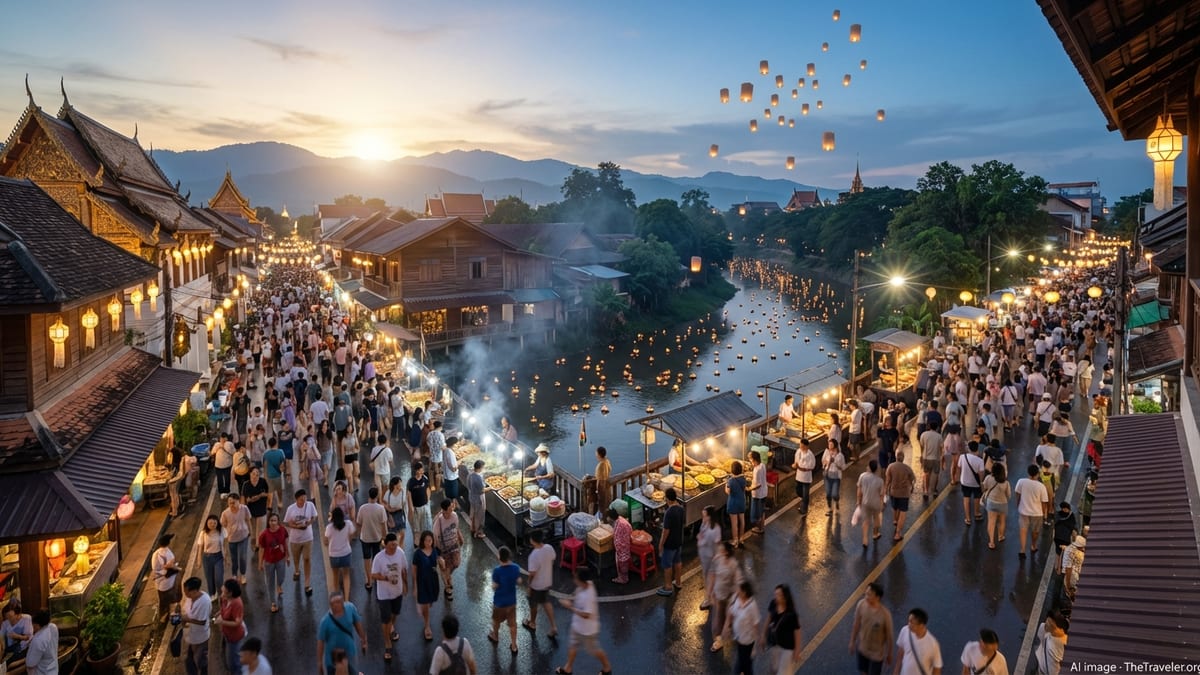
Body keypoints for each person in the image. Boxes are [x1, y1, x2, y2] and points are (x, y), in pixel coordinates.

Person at [371, 532, 409, 664]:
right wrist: (386, 578)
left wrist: (406, 585)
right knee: (385, 619)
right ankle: (387, 643)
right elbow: (373, 575)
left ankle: (391, 627)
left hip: (397, 592)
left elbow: (404, 570)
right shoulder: (378, 558)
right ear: (385, 545)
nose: (394, 547)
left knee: (394, 614)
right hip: (384, 594)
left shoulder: (400, 553)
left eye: (396, 545)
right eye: (392, 545)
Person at [316, 591, 367, 675]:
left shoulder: (350, 608)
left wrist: (363, 639)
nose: (336, 605)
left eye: (338, 602)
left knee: (352, 670)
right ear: (330, 605)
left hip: (349, 652)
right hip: (332, 658)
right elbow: (320, 643)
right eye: (333, 603)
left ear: (343, 602)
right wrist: (320, 663)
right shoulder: (325, 622)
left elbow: (357, 624)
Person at [521, 529, 560, 637]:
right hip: (547, 582)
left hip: (537, 585)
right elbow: (552, 560)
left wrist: (529, 585)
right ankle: (553, 627)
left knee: (533, 604)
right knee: (546, 602)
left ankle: (532, 623)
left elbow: (532, 573)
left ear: (532, 540)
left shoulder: (533, 555)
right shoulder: (549, 548)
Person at [849, 582, 892, 675]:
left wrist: (889, 654)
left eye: (869, 594)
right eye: (866, 593)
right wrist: (852, 641)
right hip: (862, 649)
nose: (866, 596)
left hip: (876, 654)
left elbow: (889, 637)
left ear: (877, 597)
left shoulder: (885, 615)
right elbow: (856, 624)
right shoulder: (861, 605)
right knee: (863, 672)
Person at [708, 541, 742, 653]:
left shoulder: (733, 564)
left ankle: (720, 640)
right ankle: (720, 637)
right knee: (718, 618)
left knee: (722, 619)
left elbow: (738, 581)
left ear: (726, 552)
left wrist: (736, 597)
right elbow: (713, 574)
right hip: (719, 594)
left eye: (722, 549)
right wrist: (711, 590)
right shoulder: (718, 559)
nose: (719, 550)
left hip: (727, 596)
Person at [284, 489, 318, 596]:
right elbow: (286, 523)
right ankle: (297, 569)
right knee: (296, 558)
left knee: (307, 559)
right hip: (295, 539)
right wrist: (295, 526)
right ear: (296, 500)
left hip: (308, 537)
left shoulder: (310, 505)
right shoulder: (291, 509)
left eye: (304, 498)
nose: (303, 501)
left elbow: (314, 516)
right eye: (301, 500)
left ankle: (307, 583)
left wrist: (309, 523)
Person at [488, 546, 522, 654]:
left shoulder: (497, 571)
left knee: (496, 621)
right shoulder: (516, 568)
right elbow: (519, 581)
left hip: (499, 603)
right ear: (509, 556)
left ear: (499, 557)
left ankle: (495, 636)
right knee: (512, 624)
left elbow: (494, 586)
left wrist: (494, 585)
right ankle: (514, 645)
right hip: (511, 602)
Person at [724, 580, 761, 675]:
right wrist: (727, 627)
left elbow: (756, 624)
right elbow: (730, 610)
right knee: (745, 663)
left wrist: (757, 643)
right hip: (738, 638)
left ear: (744, 593)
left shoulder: (752, 606)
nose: (737, 590)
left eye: (739, 589)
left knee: (743, 665)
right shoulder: (737, 597)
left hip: (747, 641)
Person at [763, 584, 802, 675]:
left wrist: (797, 650)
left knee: (783, 672)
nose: (775, 597)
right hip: (775, 644)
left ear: (785, 598)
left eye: (778, 595)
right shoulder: (773, 604)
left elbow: (797, 632)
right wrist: (763, 635)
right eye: (775, 594)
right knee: (774, 669)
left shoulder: (791, 614)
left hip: (787, 648)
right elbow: (768, 619)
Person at [1015, 464, 1050, 559]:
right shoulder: (1041, 486)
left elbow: (1017, 494)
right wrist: (1043, 514)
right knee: (1035, 531)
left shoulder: (1021, 482)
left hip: (1023, 511)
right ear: (1037, 474)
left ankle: (1022, 549)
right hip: (1037, 513)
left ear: (1028, 473)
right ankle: (1033, 545)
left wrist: (1017, 504)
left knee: (1023, 530)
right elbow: (1044, 502)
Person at [357, 487, 389, 592]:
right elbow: (384, 525)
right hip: (377, 538)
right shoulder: (380, 509)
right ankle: (376, 578)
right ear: (377, 496)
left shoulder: (362, 508)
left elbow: (359, 523)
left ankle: (369, 581)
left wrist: (358, 534)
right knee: (376, 559)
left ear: (368, 495)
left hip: (365, 538)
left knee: (367, 560)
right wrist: (385, 538)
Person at [412, 530, 441, 641]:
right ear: (422, 541)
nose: (428, 543)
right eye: (426, 540)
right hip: (422, 582)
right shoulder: (418, 554)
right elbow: (414, 569)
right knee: (425, 605)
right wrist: (415, 586)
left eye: (430, 540)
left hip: (433, 581)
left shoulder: (434, 551)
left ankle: (425, 612)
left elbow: (438, 561)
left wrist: (441, 562)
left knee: (429, 604)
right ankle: (427, 626)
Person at [432, 498, 464, 600]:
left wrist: (460, 536)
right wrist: (438, 554)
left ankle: (447, 576)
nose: (452, 510)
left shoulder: (454, 515)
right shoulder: (438, 522)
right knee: (445, 569)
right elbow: (435, 538)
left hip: (454, 546)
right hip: (443, 550)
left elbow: (456, 527)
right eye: (450, 509)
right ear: (444, 510)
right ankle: (447, 588)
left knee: (456, 563)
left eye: (452, 507)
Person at [894, 607, 940, 675]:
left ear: (921, 625)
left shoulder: (933, 644)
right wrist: (896, 672)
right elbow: (900, 654)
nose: (909, 624)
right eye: (909, 621)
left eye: (912, 623)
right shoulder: (905, 630)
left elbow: (937, 668)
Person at [257, 513, 288, 613]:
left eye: (275, 520)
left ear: (278, 521)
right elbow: (261, 549)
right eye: (271, 520)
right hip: (269, 561)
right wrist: (260, 563)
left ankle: (279, 585)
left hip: (280, 559)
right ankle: (273, 603)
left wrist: (288, 556)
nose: (273, 523)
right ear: (268, 522)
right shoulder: (264, 535)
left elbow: (286, 543)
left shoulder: (283, 530)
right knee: (270, 582)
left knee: (281, 577)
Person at [215, 579, 247, 675]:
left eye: (224, 591)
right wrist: (219, 613)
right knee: (226, 656)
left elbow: (238, 622)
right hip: (226, 634)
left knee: (233, 663)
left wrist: (222, 621)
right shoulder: (225, 598)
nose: (222, 593)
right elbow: (223, 609)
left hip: (234, 637)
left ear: (230, 593)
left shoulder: (237, 603)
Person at [657, 488, 685, 596]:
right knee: (677, 561)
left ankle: (668, 587)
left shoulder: (669, 512)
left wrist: (661, 544)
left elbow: (665, 531)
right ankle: (678, 582)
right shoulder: (681, 508)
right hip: (678, 540)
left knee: (667, 565)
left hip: (670, 543)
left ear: (668, 499)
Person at [180, 577, 212, 675]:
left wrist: (186, 619)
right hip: (191, 635)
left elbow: (202, 621)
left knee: (201, 660)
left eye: (186, 592)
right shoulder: (190, 599)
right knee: (189, 659)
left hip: (201, 637)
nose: (185, 594)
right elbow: (186, 611)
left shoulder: (205, 601)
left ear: (194, 591)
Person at [325, 506, 357, 599]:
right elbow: (352, 534)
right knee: (346, 576)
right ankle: (346, 599)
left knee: (335, 577)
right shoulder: (348, 524)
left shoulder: (329, 527)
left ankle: (337, 598)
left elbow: (325, 540)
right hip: (346, 553)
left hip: (334, 555)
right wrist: (348, 541)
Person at [222, 493, 252, 586]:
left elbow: (248, 520)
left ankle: (242, 574)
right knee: (234, 558)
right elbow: (223, 525)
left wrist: (251, 531)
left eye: (233, 503)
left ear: (238, 502)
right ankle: (234, 574)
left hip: (243, 536)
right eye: (230, 503)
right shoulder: (225, 513)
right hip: (232, 538)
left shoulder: (244, 509)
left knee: (242, 557)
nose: (232, 505)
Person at [885, 449, 916, 541]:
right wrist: (912, 488)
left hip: (893, 492)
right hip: (904, 493)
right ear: (903, 458)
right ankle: (898, 534)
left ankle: (895, 520)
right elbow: (912, 480)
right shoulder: (907, 468)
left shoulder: (890, 466)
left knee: (895, 507)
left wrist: (885, 491)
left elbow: (887, 481)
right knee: (903, 512)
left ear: (896, 457)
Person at [696, 506, 722, 610]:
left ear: (710, 517)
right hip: (704, 556)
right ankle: (711, 597)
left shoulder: (716, 529)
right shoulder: (704, 523)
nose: (703, 518)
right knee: (707, 578)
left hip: (712, 559)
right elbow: (701, 534)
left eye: (705, 516)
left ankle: (709, 600)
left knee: (709, 580)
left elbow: (718, 544)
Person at [152, 534, 181, 624]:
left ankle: (164, 616)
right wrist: (177, 568)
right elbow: (168, 565)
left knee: (163, 599)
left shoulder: (156, 553)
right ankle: (171, 616)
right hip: (166, 580)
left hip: (160, 580)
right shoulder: (166, 553)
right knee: (171, 598)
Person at [982, 464, 1011, 550]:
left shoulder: (988, 478)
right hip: (1002, 504)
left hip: (991, 503)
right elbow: (1009, 495)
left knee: (991, 522)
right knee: (1001, 521)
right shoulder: (1006, 483)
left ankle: (991, 542)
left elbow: (984, 487)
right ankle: (1000, 536)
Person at [857, 460, 885, 547]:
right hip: (875, 503)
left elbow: (859, 490)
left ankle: (865, 540)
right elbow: (881, 495)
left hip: (865, 502)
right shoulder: (880, 481)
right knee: (876, 518)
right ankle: (875, 534)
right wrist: (881, 504)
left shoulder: (862, 476)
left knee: (865, 521)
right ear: (876, 469)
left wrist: (858, 501)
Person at [242, 467, 270, 553]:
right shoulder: (246, 484)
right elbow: (244, 498)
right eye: (253, 474)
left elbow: (269, 493)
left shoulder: (263, 482)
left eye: (257, 474)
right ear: (250, 474)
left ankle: (260, 546)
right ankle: (254, 544)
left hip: (261, 508)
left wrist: (262, 495)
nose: (255, 476)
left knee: (261, 530)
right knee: (253, 531)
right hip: (251, 510)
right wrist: (248, 501)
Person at [959, 443, 987, 525]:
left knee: (966, 498)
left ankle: (968, 518)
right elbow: (981, 473)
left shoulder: (962, 457)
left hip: (964, 482)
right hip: (976, 483)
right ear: (977, 449)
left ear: (969, 448)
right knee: (976, 498)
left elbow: (959, 467)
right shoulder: (980, 460)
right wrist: (981, 482)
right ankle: (977, 513)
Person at [22, 610, 57, 675]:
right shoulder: (53, 627)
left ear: (37, 625)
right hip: (53, 669)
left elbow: (30, 663)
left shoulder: (38, 640)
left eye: (33, 625)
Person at [198, 515, 225, 597]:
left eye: (214, 523)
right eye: (210, 523)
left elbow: (225, 543)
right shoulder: (203, 533)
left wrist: (225, 555)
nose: (212, 525)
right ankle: (212, 594)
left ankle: (220, 594)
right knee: (209, 578)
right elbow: (200, 547)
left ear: (217, 523)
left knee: (219, 578)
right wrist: (198, 559)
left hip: (218, 556)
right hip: (207, 557)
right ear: (206, 523)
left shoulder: (221, 531)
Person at [1034, 610, 1068, 675]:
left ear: (1059, 628)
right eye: (1048, 620)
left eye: (1050, 623)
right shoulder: (1044, 630)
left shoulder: (1064, 642)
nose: (1047, 623)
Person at [792, 438, 817, 516]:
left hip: (806, 477)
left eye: (802, 446)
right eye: (800, 445)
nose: (801, 447)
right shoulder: (798, 452)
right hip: (799, 475)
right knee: (798, 490)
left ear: (806, 446)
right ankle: (802, 499)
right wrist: (795, 466)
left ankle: (804, 509)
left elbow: (812, 466)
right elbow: (795, 462)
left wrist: (804, 468)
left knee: (805, 493)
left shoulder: (810, 455)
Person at [609, 507, 633, 585]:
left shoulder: (619, 524)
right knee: (624, 561)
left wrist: (616, 548)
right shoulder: (621, 520)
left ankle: (623, 579)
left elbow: (617, 540)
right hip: (627, 543)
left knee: (622, 563)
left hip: (622, 547)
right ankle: (623, 576)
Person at [919, 425, 943, 501]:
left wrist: (922, 455)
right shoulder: (939, 436)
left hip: (926, 458)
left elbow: (921, 445)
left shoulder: (924, 434)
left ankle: (926, 491)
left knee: (926, 474)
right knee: (935, 475)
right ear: (936, 428)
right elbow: (941, 447)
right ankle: (934, 490)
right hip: (936, 458)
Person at [726, 461, 748, 546]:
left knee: (734, 523)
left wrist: (726, 484)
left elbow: (728, 492)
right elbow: (744, 488)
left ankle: (735, 541)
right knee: (742, 521)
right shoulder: (743, 478)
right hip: (741, 501)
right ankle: (741, 538)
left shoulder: (731, 481)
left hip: (733, 503)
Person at [823, 439, 847, 516]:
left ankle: (836, 501)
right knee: (828, 494)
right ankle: (830, 509)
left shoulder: (840, 456)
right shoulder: (826, 453)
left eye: (831, 444)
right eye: (829, 444)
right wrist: (826, 462)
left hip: (836, 477)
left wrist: (836, 464)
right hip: (827, 475)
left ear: (835, 446)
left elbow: (843, 467)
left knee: (834, 494)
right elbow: (823, 461)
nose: (829, 446)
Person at [408, 461, 433, 535]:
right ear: (417, 471)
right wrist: (411, 507)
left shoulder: (425, 478)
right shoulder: (411, 482)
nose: (423, 471)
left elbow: (428, 489)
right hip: (416, 507)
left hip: (425, 505)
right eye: (421, 470)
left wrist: (427, 501)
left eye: (423, 470)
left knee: (427, 524)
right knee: (417, 527)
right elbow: (409, 494)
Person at [467, 460, 489, 539]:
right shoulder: (478, 478)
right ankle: (478, 532)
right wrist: (491, 488)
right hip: (479, 500)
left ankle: (472, 528)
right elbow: (482, 490)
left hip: (472, 497)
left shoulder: (470, 475)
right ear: (480, 468)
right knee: (479, 516)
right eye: (483, 467)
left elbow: (469, 486)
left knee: (473, 514)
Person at [263, 438, 286, 510]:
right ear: (276, 444)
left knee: (270, 490)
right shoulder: (280, 452)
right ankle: (280, 501)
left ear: (269, 445)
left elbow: (264, 465)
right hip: (277, 475)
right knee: (279, 489)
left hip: (269, 475)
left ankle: (269, 504)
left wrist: (265, 475)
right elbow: (282, 463)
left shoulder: (266, 454)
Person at [748, 451, 768, 534]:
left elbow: (758, 485)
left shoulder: (757, 470)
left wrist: (749, 488)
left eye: (750, 459)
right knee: (762, 511)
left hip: (758, 494)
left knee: (757, 513)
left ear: (753, 459)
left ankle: (759, 528)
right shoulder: (762, 465)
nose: (749, 461)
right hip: (764, 492)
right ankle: (762, 527)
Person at [214, 432, 236, 498]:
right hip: (219, 465)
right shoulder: (217, 444)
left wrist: (223, 447)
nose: (222, 439)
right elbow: (212, 452)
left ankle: (225, 491)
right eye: (221, 438)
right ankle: (223, 492)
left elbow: (233, 452)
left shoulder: (229, 444)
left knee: (225, 479)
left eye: (223, 438)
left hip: (226, 465)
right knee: (221, 479)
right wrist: (218, 447)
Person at [594, 446, 612, 513]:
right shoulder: (607, 461)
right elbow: (610, 469)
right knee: (607, 501)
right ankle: (607, 515)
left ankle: (604, 518)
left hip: (602, 485)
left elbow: (598, 479)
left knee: (602, 502)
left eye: (596, 452)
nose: (595, 454)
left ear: (599, 454)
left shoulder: (601, 465)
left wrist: (597, 490)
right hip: (607, 483)